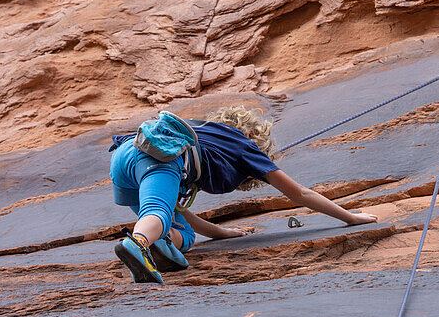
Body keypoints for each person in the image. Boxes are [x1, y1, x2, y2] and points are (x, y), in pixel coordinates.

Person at [110, 106, 378, 284]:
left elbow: (185, 214)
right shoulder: (245, 146)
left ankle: (160, 244)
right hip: (158, 158)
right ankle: (140, 243)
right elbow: (299, 193)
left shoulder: (204, 131)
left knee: (181, 230)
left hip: (124, 158)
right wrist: (349, 217)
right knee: (157, 212)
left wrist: (222, 233)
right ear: (250, 134)